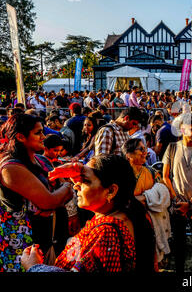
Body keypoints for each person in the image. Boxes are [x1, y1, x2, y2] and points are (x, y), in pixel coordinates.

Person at [21, 154, 156, 272]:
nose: (76, 185)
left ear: (111, 191)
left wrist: (35, 267)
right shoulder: (125, 214)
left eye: (85, 181)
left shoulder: (106, 232)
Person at [0, 114, 74, 272]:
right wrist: (67, 186)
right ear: (20, 137)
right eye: (38, 133)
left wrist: (62, 192)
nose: (43, 137)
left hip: (47, 240)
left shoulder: (42, 160)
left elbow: (57, 199)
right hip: (22, 247)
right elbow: (50, 201)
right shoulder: (10, 168)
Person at [162, 113, 192, 272]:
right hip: (177, 205)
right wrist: (177, 200)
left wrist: (190, 203)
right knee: (179, 243)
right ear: (182, 129)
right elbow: (165, 176)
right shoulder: (172, 147)